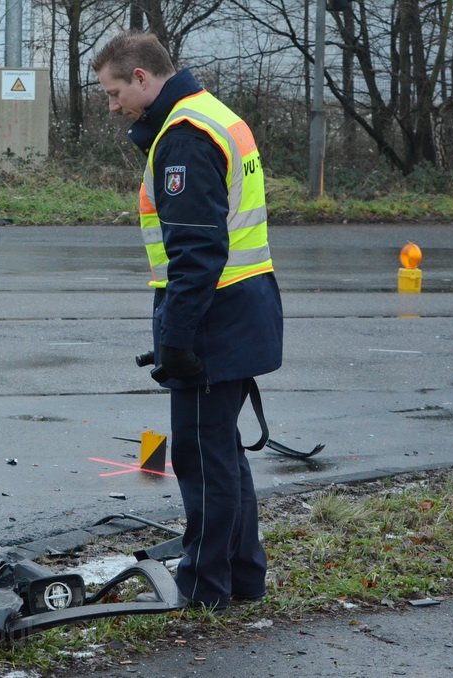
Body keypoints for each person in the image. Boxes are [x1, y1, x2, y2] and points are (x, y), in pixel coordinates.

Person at [92, 31, 283, 610]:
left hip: (211, 318)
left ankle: (205, 586)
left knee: (202, 461)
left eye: (115, 90)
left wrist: (175, 339)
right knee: (222, 453)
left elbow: (196, 253)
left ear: (143, 78)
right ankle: (241, 577)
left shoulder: (184, 138)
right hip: (239, 307)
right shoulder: (212, 115)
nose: (112, 104)